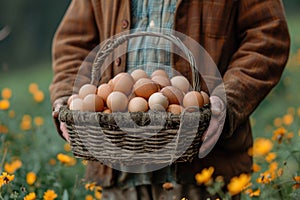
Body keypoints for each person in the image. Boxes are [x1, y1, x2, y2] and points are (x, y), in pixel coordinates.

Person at [50, 0, 290, 199]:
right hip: (118, 174)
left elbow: (267, 36)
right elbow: (73, 44)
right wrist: (71, 98)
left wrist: (228, 100)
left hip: (203, 169)